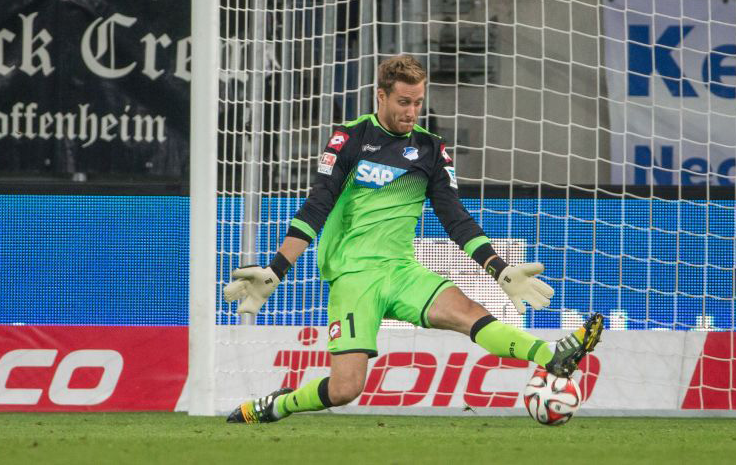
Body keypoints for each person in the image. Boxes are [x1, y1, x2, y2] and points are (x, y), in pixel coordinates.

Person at [224, 54, 603, 424]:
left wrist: (500, 270)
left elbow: (455, 219)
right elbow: (315, 208)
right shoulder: (350, 139)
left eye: (418, 102)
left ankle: (552, 355)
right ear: (382, 96)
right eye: (403, 102)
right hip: (354, 277)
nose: (411, 111)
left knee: (470, 313)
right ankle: (277, 406)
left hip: (402, 272)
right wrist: (275, 271)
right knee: (345, 389)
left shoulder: (431, 149)